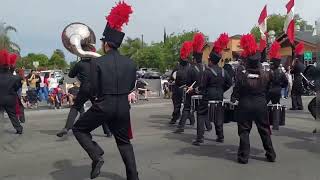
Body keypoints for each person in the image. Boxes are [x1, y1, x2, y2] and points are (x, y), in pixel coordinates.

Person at [71, 2, 139, 179]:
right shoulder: (131, 63)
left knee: (79, 129)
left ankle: (96, 154)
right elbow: (131, 85)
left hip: (104, 105)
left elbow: (94, 89)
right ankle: (134, 177)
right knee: (124, 144)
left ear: (106, 44)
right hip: (123, 107)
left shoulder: (98, 62)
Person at [231, 34, 276, 164]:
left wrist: (234, 97)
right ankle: (271, 154)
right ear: (258, 61)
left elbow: (237, 90)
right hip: (260, 104)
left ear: (247, 61)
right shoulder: (266, 74)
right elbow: (269, 89)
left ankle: (244, 156)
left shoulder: (242, 74)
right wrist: (264, 99)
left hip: (245, 104)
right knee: (264, 130)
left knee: (244, 130)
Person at [56, 45, 111, 138]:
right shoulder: (98, 62)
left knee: (75, 107)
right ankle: (108, 131)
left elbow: (70, 75)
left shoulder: (80, 63)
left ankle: (66, 128)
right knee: (100, 110)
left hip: (85, 88)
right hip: (96, 89)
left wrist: (79, 71)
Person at [192, 33, 232, 146]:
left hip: (208, 96)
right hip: (219, 95)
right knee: (218, 115)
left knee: (201, 114)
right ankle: (220, 136)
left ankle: (200, 138)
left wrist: (197, 89)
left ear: (211, 60)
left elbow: (202, 86)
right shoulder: (224, 71)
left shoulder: (207, 72)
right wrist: (221, 90)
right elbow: (229, 83)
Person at [174, 33, 205, 133]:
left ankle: (181, 128)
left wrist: (188, 87)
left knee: (186, 108)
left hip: (192, 91)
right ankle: (209, 127)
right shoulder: (206, 68)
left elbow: (188, 81)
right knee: (203, 110)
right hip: (203, 91)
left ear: (194, 58)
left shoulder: (192, 68)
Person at [0, 49, 23, 134]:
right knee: (12, 115)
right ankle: (19, 129)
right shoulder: (15, 78)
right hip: (10, 99)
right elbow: (17, 88)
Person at [169, 47, 191, 125]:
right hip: (187, 88)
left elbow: (171, 78)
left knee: (177, 104)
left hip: (179, 87)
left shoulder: (178, 66)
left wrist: (171, 80)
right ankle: (191, 119)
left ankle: (175, 118)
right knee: (187, 105)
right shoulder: (190, 66)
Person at [290, 43, 306, 110]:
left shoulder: (296, 64)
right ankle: (300, 106)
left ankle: (295, 106)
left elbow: (292, 72)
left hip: (296, 80)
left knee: (293, 93)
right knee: (299, 94)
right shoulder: (303, 65)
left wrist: (292, 67)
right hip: (301, 80)